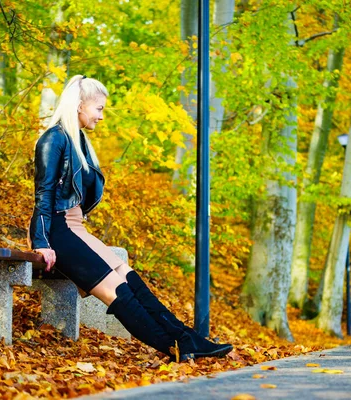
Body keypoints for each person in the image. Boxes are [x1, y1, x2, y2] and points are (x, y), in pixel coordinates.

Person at [28, 74, 232, 361]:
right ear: (79, 105)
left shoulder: (79, 141)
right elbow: (44, 193)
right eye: (98, 108)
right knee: (118, 293)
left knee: (132, 281)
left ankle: (188, 339)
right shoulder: (53, 139)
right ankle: (174, 348)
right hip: (58, 231)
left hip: (76, 228)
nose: (101, 116)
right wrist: (41, 241)